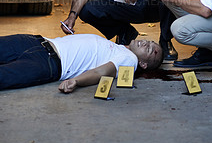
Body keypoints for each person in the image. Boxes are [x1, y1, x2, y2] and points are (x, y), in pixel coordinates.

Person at [0, 33, 163, 92]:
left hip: (47, 62)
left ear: (143, 64)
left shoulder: (130, 59)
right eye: (149, 41)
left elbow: (102, 72)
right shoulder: (118, 47)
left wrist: (76, 81)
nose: (146, 43)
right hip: (37, 41)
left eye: (149, 49)